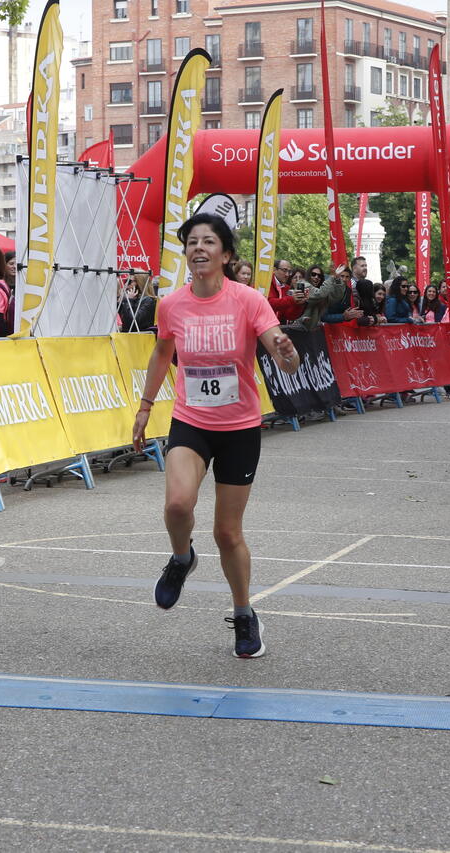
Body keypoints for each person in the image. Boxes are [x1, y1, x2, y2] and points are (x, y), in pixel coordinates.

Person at [132, 212, 300, 659]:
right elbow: (162, 354)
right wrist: (145, 407)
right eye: (192, 242)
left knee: (227, 533)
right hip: (191, 420)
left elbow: (280, 352)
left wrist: (288, 353)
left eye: (209, 242)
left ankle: (244, 614)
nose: (199, 249)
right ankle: (182, 557)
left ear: (225, 254)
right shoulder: (172, 305)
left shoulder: (247, 300)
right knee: (176, 504)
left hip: (240, 428)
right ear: (186, 253)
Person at [267, 258, 306, 324]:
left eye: (289, 272)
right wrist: (292, 299)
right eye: (284, 270)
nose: (287, 274)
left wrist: (298, 304)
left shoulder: (287, 288)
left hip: (277, 328)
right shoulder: (265, 284)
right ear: (274, 270)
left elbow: (289, 316)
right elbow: (269, 303)